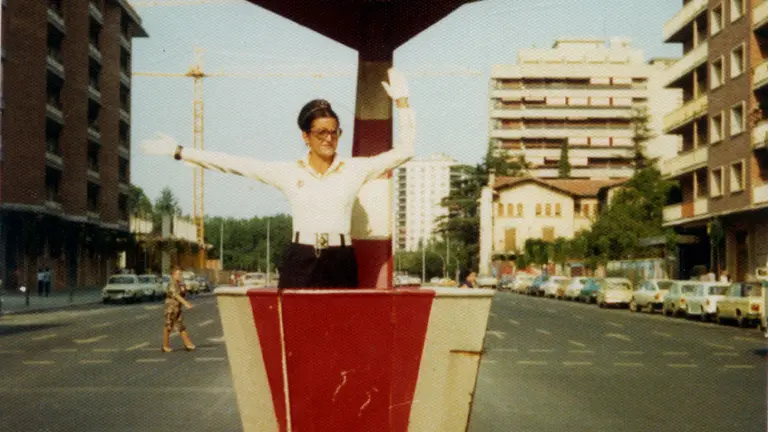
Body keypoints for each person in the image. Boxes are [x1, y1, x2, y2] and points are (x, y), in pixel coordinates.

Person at [142, 69, 414, 289]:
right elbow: (234, 164)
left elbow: (405, 151)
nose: (328, 139)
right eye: (320, 133)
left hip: (340, 258)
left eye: (334, 132)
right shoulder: (288, 172)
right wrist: (180, 152)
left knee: (340, 333)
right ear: (305, 136)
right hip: (301, 257)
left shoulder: (356, 169)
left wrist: (402, 103)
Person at [161, 266, 195, 353]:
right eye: (178, 274)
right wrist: (186, 303)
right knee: (169, 326)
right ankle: (165, 346)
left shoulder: (179, 283)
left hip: (177, 307)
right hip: (171, 307)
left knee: (180, 325)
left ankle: (188, 344)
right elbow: (176, 295)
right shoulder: (171, 283)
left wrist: (185, 289)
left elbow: (182, 293)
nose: (180, 276)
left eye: (181, 274)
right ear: (173, 275)